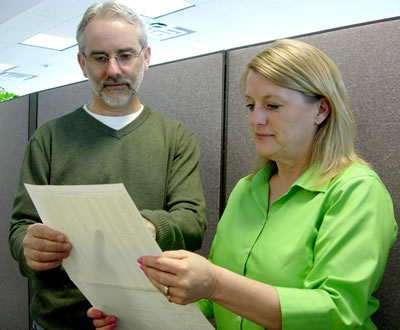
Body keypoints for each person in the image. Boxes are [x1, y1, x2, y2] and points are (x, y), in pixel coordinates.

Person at [89, 39, 397, 329]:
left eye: (273, 106)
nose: (255, 119)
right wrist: (138, 312)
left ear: (321, 110)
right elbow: (214, 304)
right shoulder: (246, 190)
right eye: (250, 105)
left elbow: (338, 313)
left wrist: (214, 282)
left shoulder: (355, 191)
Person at [8, 2, 206, 329]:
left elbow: (193, 221)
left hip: (145, 318)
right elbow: (20, 227)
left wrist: (145, 228)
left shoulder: (175, 138)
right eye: (100, 57)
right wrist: (29, 248)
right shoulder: (49, 139)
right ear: (82, 64)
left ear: (146, 58)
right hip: (59, 322)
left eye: (125, 55)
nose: (113, 70)